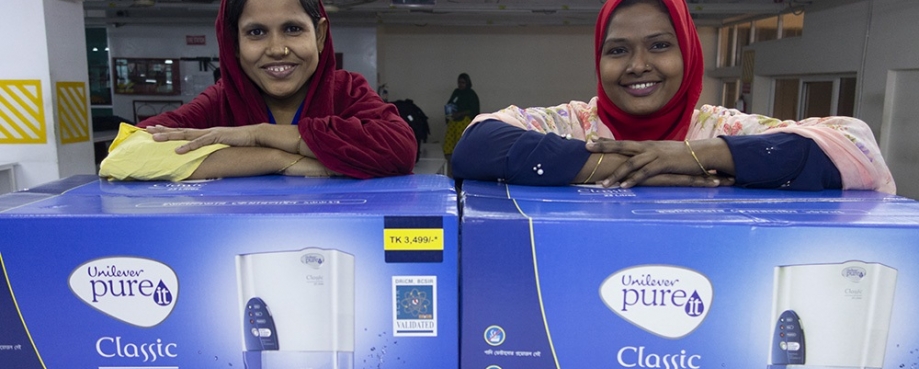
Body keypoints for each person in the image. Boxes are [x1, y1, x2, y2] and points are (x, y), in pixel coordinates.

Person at [451, 0, 895, 194]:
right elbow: (476, 146)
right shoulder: (574, 125)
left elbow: (858, 150)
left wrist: (689, 156)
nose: (637, 64)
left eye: (660, 45)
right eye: (617, 50)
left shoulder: (721, 129)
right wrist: (633, 166)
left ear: (689, 54)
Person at [99, 0, 416, 181]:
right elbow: (125, 155)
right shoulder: (220, 102)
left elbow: (399, 149)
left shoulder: (346, 91)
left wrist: (259, 134)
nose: (277, 49)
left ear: (319, 36)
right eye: (256, 32)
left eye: (292, 29)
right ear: (234, 44)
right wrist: (278, 159)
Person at [442, 73, 480, 176]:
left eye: (463, 82)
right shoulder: (456, 92)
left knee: (461, 146)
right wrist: (449, 114)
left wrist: (461, 113)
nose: (460, 84)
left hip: (464, 123)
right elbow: (450, 104)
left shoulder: (471, 94)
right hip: (454, 122)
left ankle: (463, 168)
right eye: (459, 82)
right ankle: (450, 167)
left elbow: (473, 110)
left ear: (467, 83)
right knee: (449, 144)